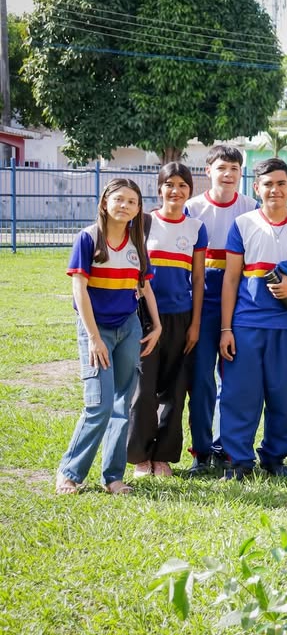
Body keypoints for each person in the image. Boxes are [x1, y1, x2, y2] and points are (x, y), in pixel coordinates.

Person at [56, 179, 162, 495]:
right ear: (105, 203)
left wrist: (156, 325)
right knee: (99, 404)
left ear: (138, 209)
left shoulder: (137, 244)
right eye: (119, 199)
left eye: (132, 201)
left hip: (128, 327)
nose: (125, 206)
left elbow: (145, 287)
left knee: (122, 403)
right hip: (97, 330)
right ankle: (70, 473)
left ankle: (113, 477)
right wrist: (93, 337)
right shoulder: (88, 239)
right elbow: (79, 289)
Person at [218, 158, 287, 480]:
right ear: (256, 187)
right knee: (240, 393)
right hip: (245, 323)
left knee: (280, 394)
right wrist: (226, 328)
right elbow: (231, 279)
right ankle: (238, 460)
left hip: (286, 326)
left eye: (281, 183)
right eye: (267, 184)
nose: (275, 189)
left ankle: (274, 458)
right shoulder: (243, 224)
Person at [127, 163, 208, 478]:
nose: (176, 191)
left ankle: (163, 457)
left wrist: (196, 324)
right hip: (145, 317)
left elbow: (199, 279)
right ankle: (140, 457)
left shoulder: (196, 228)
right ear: (159, 189)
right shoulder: (143, 223)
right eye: (169, 185)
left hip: (181, 316)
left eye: (182, 185)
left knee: (174, 392)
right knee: (143, 390)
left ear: (190, 190)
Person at [184, 144, 258, 477]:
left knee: (235, 379)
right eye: (221, 168)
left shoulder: (251, 207)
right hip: (201, 297)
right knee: (201, 379)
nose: (228, 175)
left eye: (234, 169)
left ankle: (228, 447)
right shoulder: (191, 207)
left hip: (239, 298)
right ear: (208, 171)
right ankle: (201, 450)